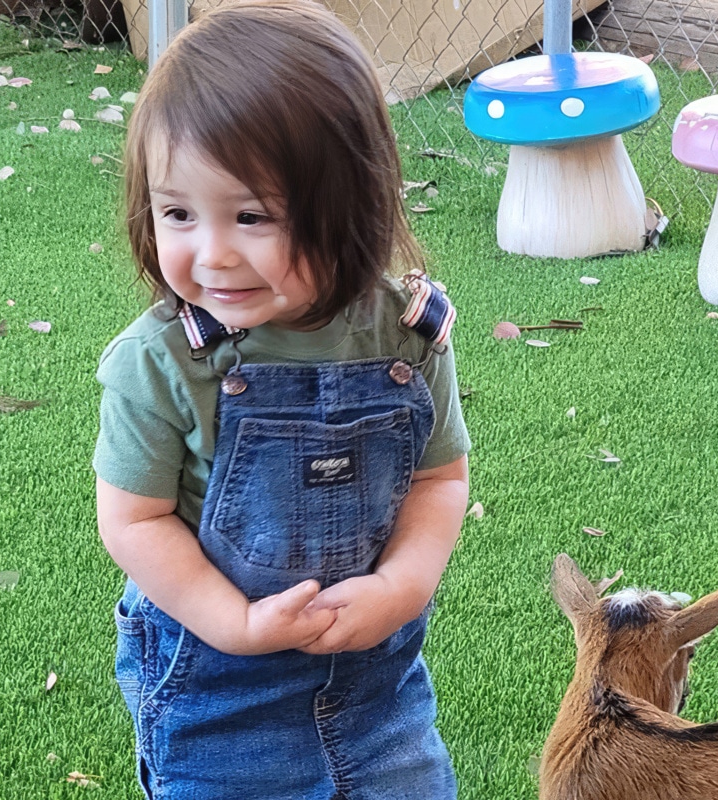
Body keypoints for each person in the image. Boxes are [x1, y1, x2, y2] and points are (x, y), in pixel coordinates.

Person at [92, 2, 470, 796]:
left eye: (252, 215)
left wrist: (402, 586)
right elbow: (133, 519)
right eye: (178, 213)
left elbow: (439, 482)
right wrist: (234, 623)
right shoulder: (158, 364)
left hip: (380, 691)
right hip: (218, 690)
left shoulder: (406, 336)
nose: (212, 252)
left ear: (352, 202)